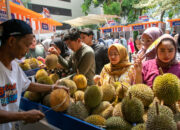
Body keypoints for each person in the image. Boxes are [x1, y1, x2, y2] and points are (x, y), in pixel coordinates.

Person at [0, 19, 68, 130]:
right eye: (26, 45)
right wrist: (24, 115)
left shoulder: (15, 66)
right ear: (11, 41)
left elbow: (29, 85)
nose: (27, 50)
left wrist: (53, 87)